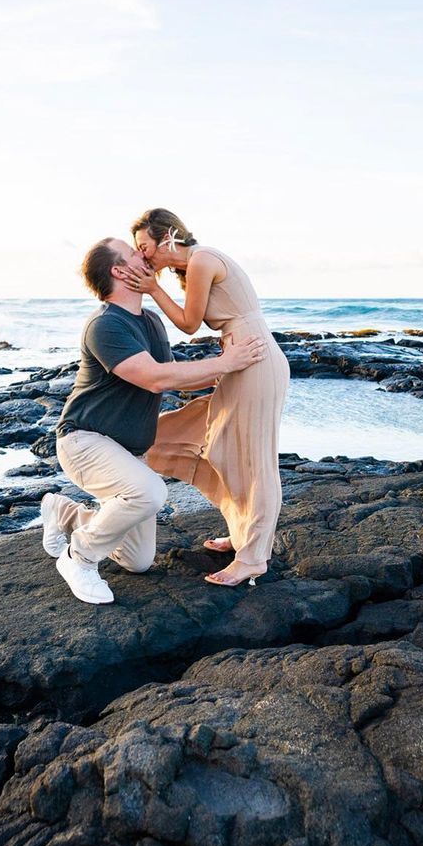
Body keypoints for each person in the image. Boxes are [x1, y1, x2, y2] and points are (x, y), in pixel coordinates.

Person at [41, 235, 265, 605]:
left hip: (129, 453)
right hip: (84, 441)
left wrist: (230, 376)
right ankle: (78, 557)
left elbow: (173, 376)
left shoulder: (152, 321)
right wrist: (226, 362)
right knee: (150, 492)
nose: (143, 254)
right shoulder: (105, 325)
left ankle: (66, 513)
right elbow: (154, 378)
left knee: (138, 561)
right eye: (133, 252)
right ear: (119, 271)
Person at [118, 208, 290, 588]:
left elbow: (189, 323)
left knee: (256, 460)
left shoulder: (202, 260)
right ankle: (243, 534)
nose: (142, 254)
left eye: (144, 246)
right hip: (240, 360)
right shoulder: (193, 266)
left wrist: (153, 289)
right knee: (224, 448)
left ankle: (252, 558)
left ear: (167, 237)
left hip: (255, 361)